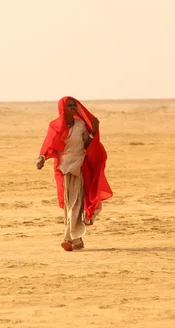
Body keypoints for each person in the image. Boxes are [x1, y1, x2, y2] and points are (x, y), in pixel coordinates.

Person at [37, 96, 112, 251]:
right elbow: (48, 144)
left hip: (79, 166)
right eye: (70, 106)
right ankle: (77, 240)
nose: (73, 108)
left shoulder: (80, 125)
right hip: (64, 168)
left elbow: (86, 144)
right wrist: (42, 158)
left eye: (75, 106)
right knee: (69, 204)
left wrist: (95, 131)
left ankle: (68, 238)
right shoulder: (55, 126)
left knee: (76, 202)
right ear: (63, 108)